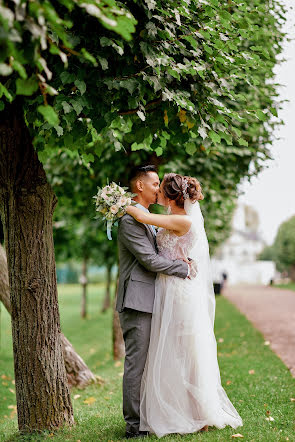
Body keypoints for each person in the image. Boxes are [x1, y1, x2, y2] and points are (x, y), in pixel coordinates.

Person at [126, 172, 243, 438]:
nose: (157, 195)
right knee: (170, 349)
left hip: (179, 291)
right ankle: (174, 408)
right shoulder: (171, 219)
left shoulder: (181, 220)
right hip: (167, 287)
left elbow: (143, 216)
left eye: (160, 190)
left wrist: (119, 203)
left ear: (170, 195)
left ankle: (198, 413)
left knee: (185, 350)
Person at [116, 165, 197, 439]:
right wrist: (182, 269)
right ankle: (134, 426)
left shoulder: (148, 217)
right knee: (136, 365)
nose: (158, 189)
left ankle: (151, 417)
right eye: (154, 184)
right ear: (141, 186)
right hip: (137, 300)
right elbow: (149, 260)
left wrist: (184, 261)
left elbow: (163, 250)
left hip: (156, 297)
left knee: (154, 362)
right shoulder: (130, 219)